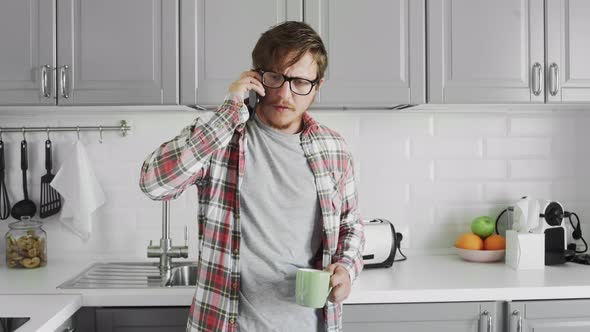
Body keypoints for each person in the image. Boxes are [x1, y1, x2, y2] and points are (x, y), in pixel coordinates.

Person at [139, 21, 364, 332]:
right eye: (275, 77)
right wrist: (229, 112)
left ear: (318, 86)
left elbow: (350, 225)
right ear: (257, 77)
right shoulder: (220, 138)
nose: (285, 93)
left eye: (300, 82)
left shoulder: (333, 149)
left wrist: (347, 270)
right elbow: (154, 182)